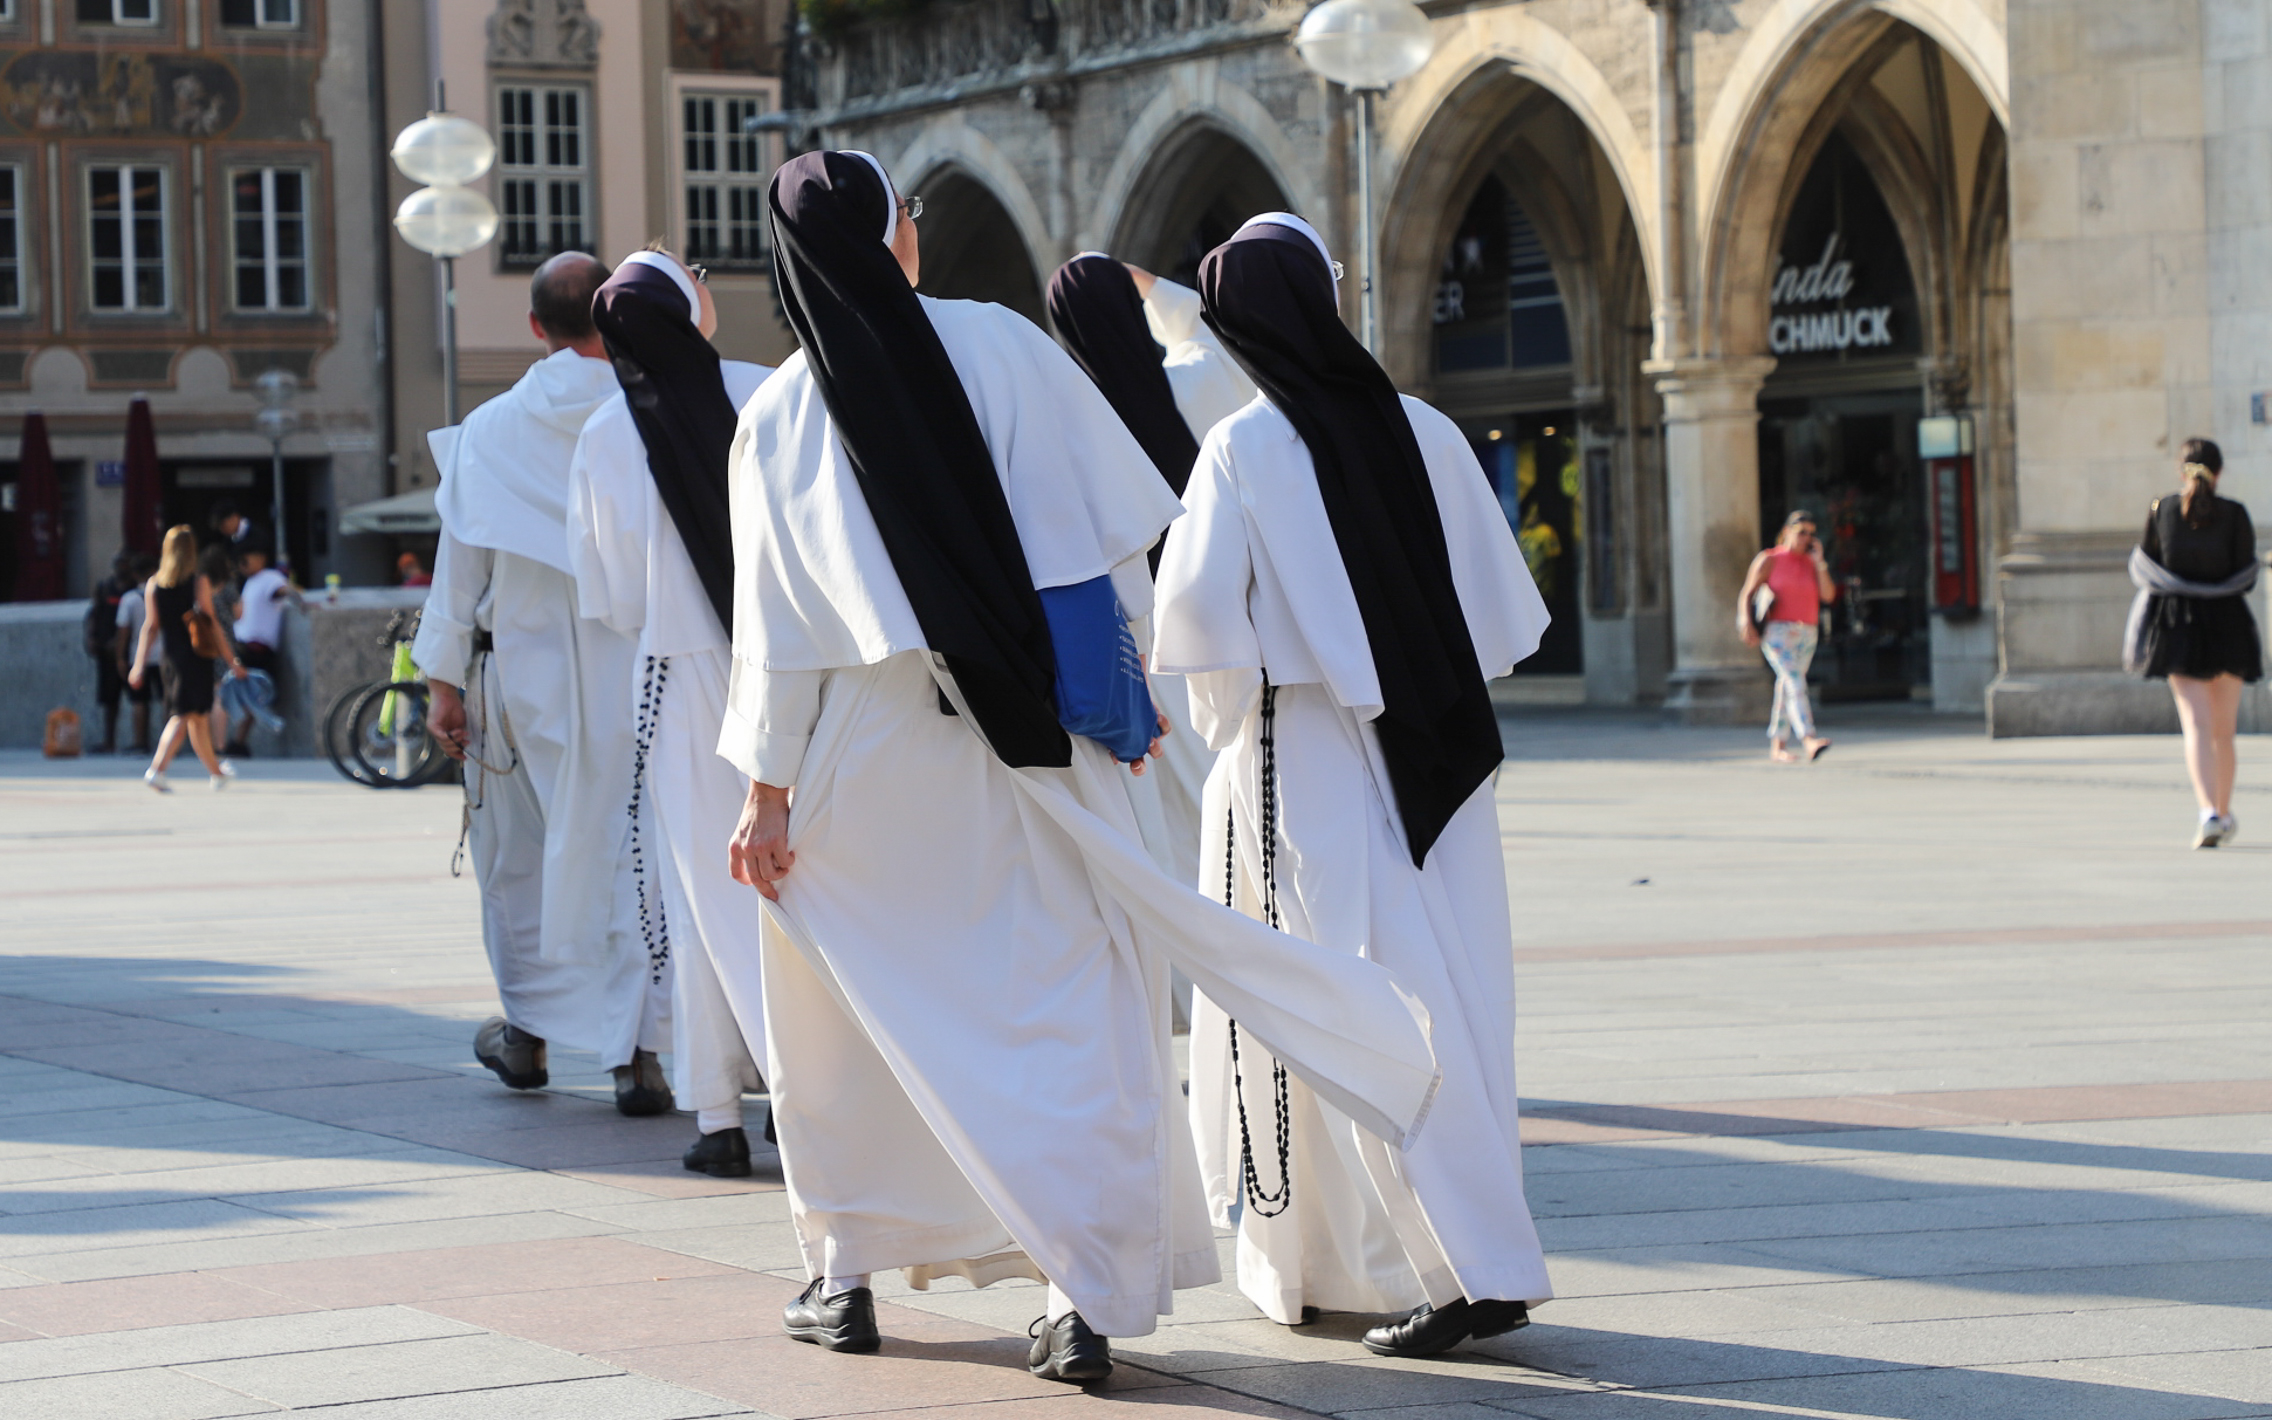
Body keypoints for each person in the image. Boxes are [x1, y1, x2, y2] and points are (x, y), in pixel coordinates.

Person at [724, 152, 1437, 1380]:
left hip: (863, 751)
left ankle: (841, 1269)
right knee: (1067, 1011)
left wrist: (765, 798)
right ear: (895, 235)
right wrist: (1115, 694)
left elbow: (777, 642)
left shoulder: (780, 413)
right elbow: (1108, 548)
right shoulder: (1002, 346)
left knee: (848, 1020)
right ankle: (1078, 1289)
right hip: (1028, 740)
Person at [1154, 213, 1554, 1358]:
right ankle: (1376, 1257)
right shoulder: (1423, 425)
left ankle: (1462, 1262)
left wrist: (1242, 721)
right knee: (1457, 1006)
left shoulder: (1242, 445)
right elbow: (1498, 616)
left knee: (1336, 1010)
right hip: (1441, 758)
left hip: (1300, 758)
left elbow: (1198, 633)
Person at [413, 250, 676, 1116]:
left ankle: (527, 1033)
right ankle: (636, 1052)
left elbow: (460, 567)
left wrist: (440, 681)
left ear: (534, 327)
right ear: (613, 312)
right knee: (635, 854)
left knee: (518, 858)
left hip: (521, 678)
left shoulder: (491, 428)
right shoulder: (653, 410)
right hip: (640, 669)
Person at [567, 246, 773, 1177]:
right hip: (794, 671)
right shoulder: (768, 391)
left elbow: (606, 593)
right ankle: (822, 1090)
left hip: (679, 679)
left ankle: (720, 1114)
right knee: (812, 881)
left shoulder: (608, 433)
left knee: (702, 900)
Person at [1046, 253, 1257, 882]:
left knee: (1165, 823)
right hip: (1226, 628)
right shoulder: (1194, 384)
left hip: (1136, 650)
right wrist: (1151, 287)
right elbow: (1213, 338)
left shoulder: (1068, 426)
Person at [2128, 438, 2261, 847]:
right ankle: (2222, 812)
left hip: (2177, 625)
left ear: (2180, 470)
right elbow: (2247, 573)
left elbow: (2147, 565)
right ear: (2218, 472)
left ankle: (2208, 812)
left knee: (2196, 726)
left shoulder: (2162, 509)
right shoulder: (2236, 514)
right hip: (2228, 623)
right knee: (2224, 731)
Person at [128, 525, 246, 792]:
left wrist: (139, 665)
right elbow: (211, 622)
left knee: (198, 717)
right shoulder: (198, 581)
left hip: (170, 657)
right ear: (191, 550)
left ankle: (216, 774)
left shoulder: (154, 585)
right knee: (183, 715)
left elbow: (150, 626)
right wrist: (231, 660)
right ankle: (157, 770)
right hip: (196, 656)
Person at [1738, 510, 1836, 763]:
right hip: (1777, 631)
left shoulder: (1811, 563)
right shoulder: (1769, 559)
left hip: (1807, 631)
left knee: (1787, 685)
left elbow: (1828, 595)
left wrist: (1820, 562)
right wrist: (1746, 621)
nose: (1806, 538)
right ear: (1787, 531)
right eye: (1801, 532)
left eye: (1811, 534)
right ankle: (1809, 738)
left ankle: (1777, 745)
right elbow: (1747, 592)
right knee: (1795, 682)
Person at [226, 542, 291, 756]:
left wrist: (303, 602)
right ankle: (236, 741)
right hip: (246, 647)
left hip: (257, 648)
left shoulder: (270, 578)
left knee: (251, 696)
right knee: (249, 697)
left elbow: (285, 591)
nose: (243, 564)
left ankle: (237, 742)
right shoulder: (251, 582)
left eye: (247, 558)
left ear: (261, 557)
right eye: (240, 561)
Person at [86, 552, 135, 753]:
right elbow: (93, 614)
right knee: (109, 700)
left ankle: (138, 740)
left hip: (129, 653)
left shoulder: (134, 590)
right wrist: (91, 637)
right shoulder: (105, 588)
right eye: (118, 564)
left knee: (137, 699)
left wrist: (120, 643)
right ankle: (109, 740)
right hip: (105, 653)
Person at [114, 553, 159, 754]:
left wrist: (120, 658)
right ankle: (168, 743)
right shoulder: (163, 594)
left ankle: (140, 742)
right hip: (164, 655)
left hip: (138, 655)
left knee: (139, 701)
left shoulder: (130, 599)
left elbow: (123, 630)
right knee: (166, 699)